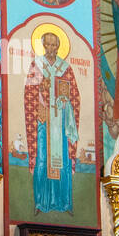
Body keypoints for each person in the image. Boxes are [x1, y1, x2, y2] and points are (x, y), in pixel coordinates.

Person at [23, 29, 80, 214]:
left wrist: (65, 100)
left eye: (54, 45)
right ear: (43, 45)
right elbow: (28, 92)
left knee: (61, 161)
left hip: (61, 123)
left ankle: (65, 203)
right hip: (43, 119)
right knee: (42, 159)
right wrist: (41, 86)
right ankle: (41, 202)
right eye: (47, 44)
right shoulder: (36, 65)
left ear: (58, 46)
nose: (51, 48)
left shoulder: (66, 68)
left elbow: (75, 95)